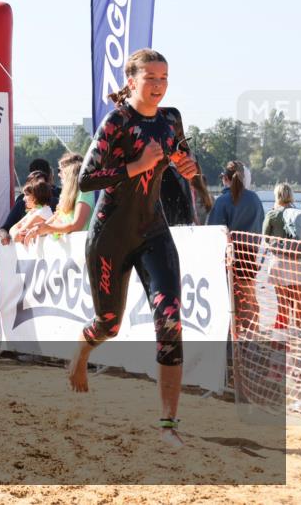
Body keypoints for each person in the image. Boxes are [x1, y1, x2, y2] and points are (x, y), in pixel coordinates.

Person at [69, 48, 200, 448]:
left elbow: (178, 152)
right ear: (132, 82)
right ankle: (81, 349)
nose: (159, 86)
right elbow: (86, 180)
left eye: (164, 78)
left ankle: (168, 425)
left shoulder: (170, 118)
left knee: (170, 320)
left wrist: (186, 165)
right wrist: (135, 166)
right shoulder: (116, 122)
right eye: (151, 78)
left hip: (152, 232)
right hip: (110, 237)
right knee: (109, 323)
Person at [208, 161, 265, 335]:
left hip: (227, 258)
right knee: (249, 300)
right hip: (249, 255)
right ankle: (250, 340)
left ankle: (232, 341)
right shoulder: (254, 198)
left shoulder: (222, 201)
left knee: (228, 302)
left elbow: (214, 232)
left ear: (225, 178)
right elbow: (261, 224)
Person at [262, 182, 301, 335]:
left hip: (279, 260)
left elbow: (266, 238)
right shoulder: (298, 213)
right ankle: (297, 330)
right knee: (299, 297)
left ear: (277, 196)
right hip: (297, 261)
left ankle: (282, 334)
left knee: (282, 301)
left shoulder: (272, 214)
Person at [24, 152, 95, 243]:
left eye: (60, 170)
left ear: (70, 172)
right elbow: (57, 216)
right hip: (66, 249)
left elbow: (77, 225)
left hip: (78, 248)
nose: (58, 174)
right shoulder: (65, 194)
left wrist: (48, 228)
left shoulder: (84, 192)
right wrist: (37, 229)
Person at [0, 159, 62, 245]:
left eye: (41, 186)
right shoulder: (26, 206)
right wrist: (9, 234)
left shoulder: (56, 202)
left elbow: (12, 232)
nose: (25, 198)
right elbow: (7, 229)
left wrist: (12, 233)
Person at [8, 175, 53, 244]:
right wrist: (15, 232)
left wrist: (15, 233)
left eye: (26, 195)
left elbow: (16, 237)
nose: (23, 198)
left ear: (36, 196)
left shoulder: (41, 213)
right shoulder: (34, 211)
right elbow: (13, 228)